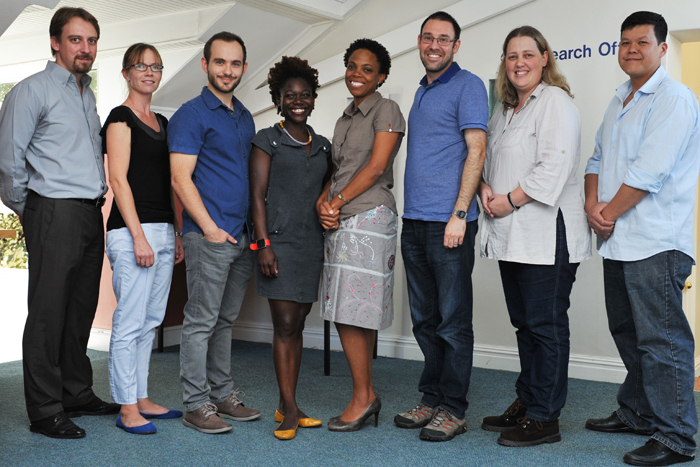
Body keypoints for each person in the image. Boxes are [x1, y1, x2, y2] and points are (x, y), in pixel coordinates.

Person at [584, 11, 699, 467]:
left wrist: (606, 213)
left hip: (656, 241)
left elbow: (649, 172)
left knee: (663, 340)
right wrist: (595, 208)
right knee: (628, 332)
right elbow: (595, 159)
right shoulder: (620, 100)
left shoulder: (674, 98)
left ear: (662, 48)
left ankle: (676, 438)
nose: (632, 49)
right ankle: (638, 412)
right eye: (625, 42)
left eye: (642, 42)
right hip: (617, 237)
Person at [0, 7, 119, 439]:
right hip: (53, 210)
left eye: (91, 41)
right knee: (48, 313)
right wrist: (32, 212)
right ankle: (45, 409)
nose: (85, 48)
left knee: (80, 309)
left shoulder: (86, 96)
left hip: (89, 212)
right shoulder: (31, 91)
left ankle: (76, 391)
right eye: (76, 39)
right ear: (55, 42)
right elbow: (8, 164)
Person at [477, 26, 591, 447]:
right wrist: (485, 188)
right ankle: (528, 402)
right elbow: (489, 158)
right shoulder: (504, 110)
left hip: (547, 232)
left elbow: (553, 167)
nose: (519, 62)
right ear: (505, 64)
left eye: (528, 54)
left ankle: (546, 417)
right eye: (512, 56)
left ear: (545, 58)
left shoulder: (555, 103)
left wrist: (509, 199)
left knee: (545, 326)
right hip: (514, 233)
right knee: (524, 324)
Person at [395, 11, 487, 442]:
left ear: (456, 45)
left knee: (452, 321)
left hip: (447, 224)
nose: (435, 45)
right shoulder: (422, 89)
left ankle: (453, 408)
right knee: (424, 320)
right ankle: (431, 397)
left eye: (444, 39)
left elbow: (477, 149)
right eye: (428, 38)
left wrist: (459, 213)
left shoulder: (467, 85)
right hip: (413, 221)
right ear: (419, 41)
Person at [169, 31, 260, 434]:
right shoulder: (191, 114)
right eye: (220, 62)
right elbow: (180, 177)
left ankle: (222, 395)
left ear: (243, 66)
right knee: (201, 321)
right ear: (205, 65)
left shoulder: (243, 114)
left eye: (235, 63)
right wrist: (208, 229)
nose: (228, 70)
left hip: (240, 237)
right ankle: (195, 403)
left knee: (225, 321)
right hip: (211, 236)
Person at [317, 38, 405, 432]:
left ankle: (362, 397)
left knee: (355, 312)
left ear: (381, 76)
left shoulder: (386, 109)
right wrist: (324, 203)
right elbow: (338, 170)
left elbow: (376, 167)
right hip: (343, 217)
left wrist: (335, 203)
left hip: (369, 216)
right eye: (352, 65)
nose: (357, 73)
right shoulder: (343, 118)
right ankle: (365, 395)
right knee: (344, 311)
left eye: (367, 69)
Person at [102, 43, 185, 435]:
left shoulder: (163, 122)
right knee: (130, 321)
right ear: (126, 73)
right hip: (131, 231)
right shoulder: (120, 118)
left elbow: (171, 181)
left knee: (151, 321)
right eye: (141, 66)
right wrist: (138, 237)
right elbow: (117, 180)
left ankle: (142, 396)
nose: (149, 72)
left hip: (164, 231)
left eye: (155, 66)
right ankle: (126, 406)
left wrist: (177, 232)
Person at [249, 56, 331, 440]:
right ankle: (289, 410)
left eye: (305, 96)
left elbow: (329, 194)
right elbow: (257, 195)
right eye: (289, 96)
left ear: (313, 99)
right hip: (276, 245)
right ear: (278, 100)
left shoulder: (324, 146)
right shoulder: (267, 139)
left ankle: (288, 403)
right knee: (283, 324)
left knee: (296, 325)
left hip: (311, 246)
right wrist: (262, 244)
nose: (298, 101)